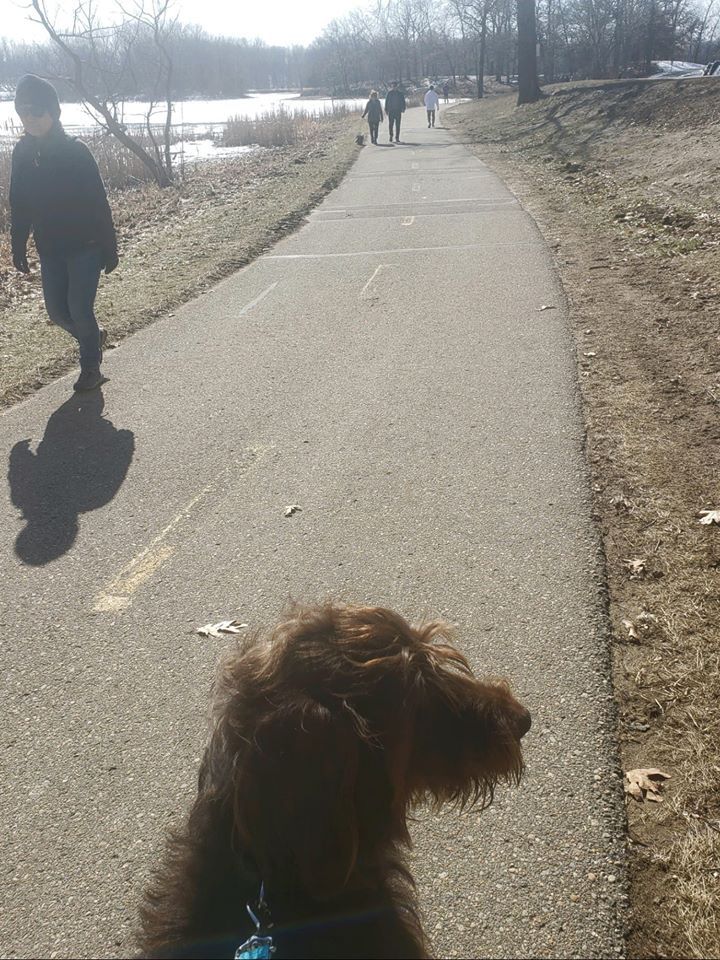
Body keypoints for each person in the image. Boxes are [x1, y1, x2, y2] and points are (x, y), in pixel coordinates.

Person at [10, 74, 118, 392]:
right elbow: (19, 202)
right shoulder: (22, 154)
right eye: (23, 112)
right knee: (57, 312)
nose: (30, 119)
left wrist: (110, 248)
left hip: (86, 245)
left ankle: (90, 368)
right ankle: (93, 338)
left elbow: (99, 202)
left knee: (80, 308)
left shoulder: (76, 151)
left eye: (36, 111)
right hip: (51, 248)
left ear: (53, 112)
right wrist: (18, 245)